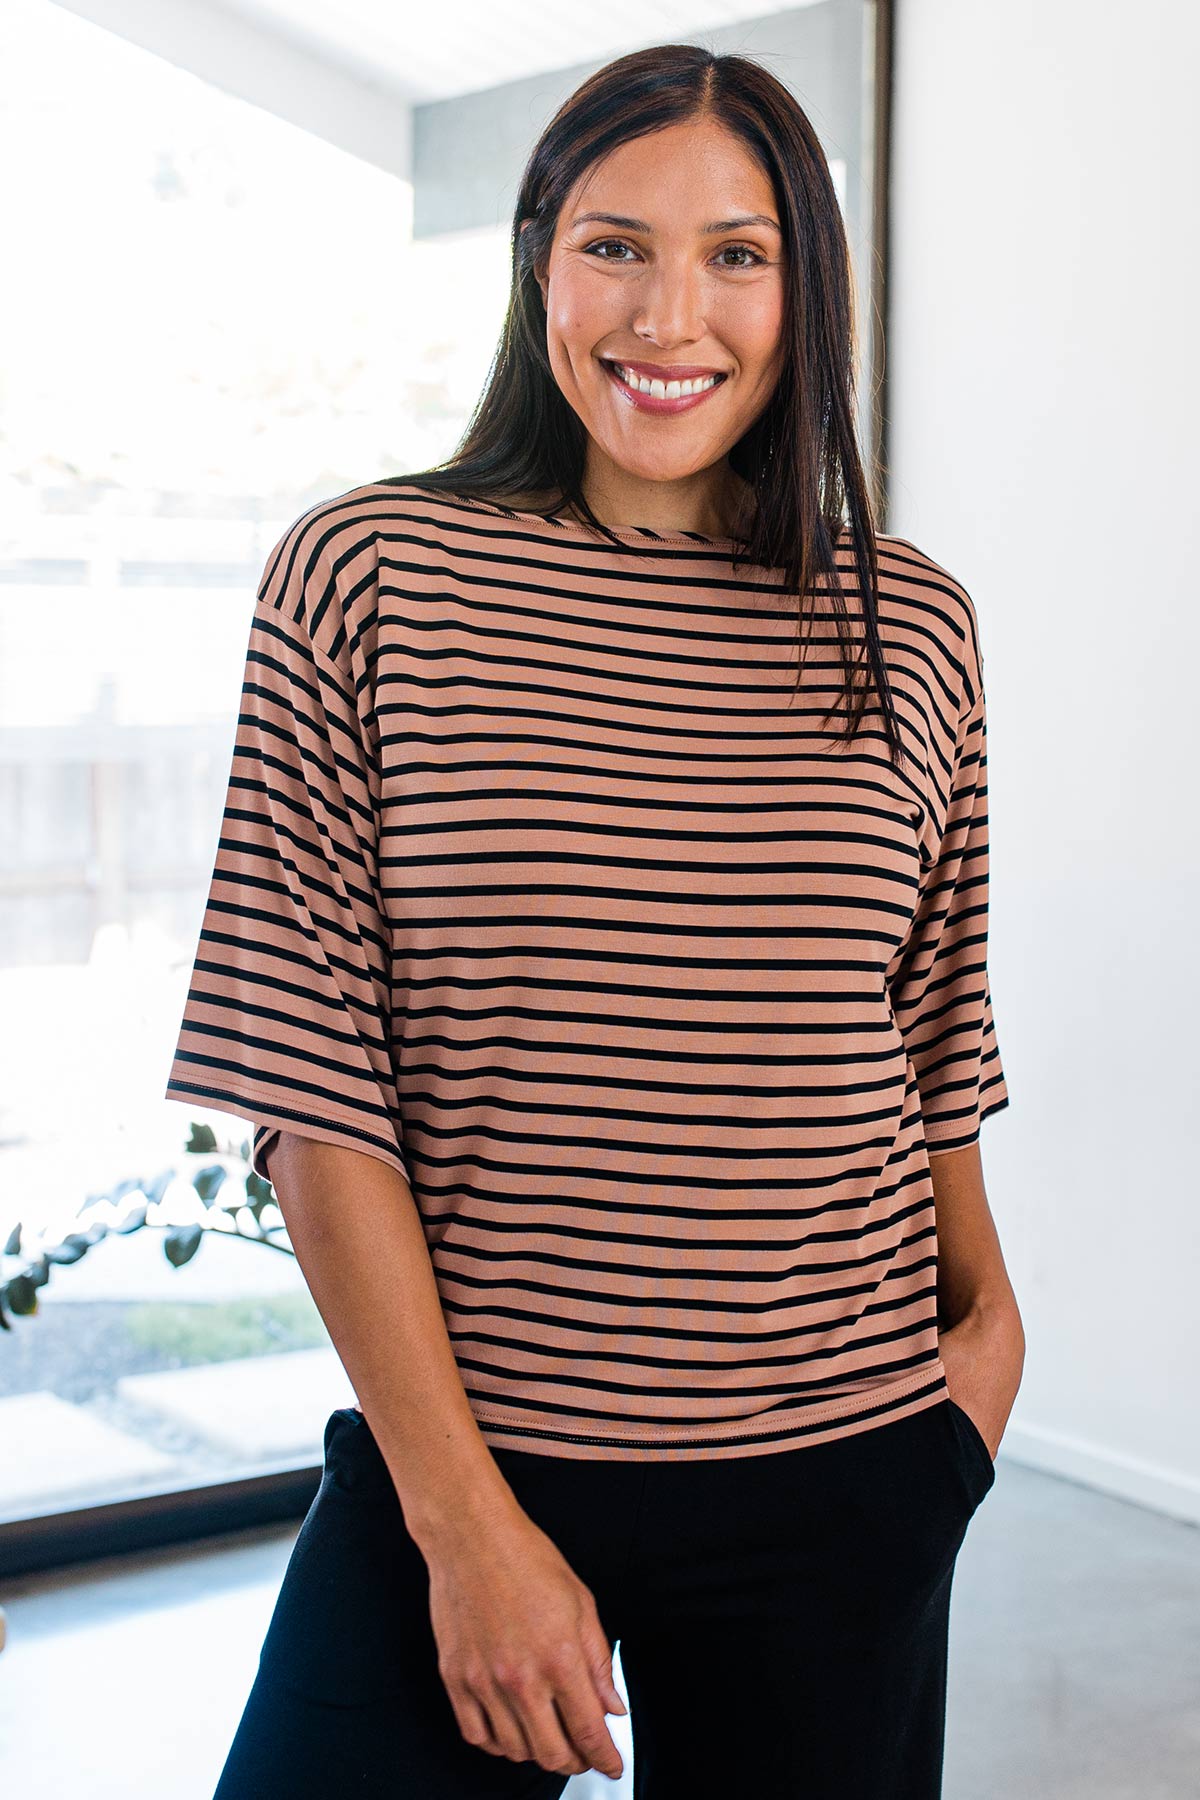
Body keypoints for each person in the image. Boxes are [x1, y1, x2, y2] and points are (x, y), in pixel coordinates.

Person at [165, 41, 1024, 1800]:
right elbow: (316, 1094)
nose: (670, 315)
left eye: (739, 252)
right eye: (617, 246)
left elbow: (936, 1039)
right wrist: (465, 1531)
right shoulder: (368, 578)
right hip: (464, 1465)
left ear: (806, 290)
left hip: (843, 1464)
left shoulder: (910, 622)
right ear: (540, 260)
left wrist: (982, 1368)